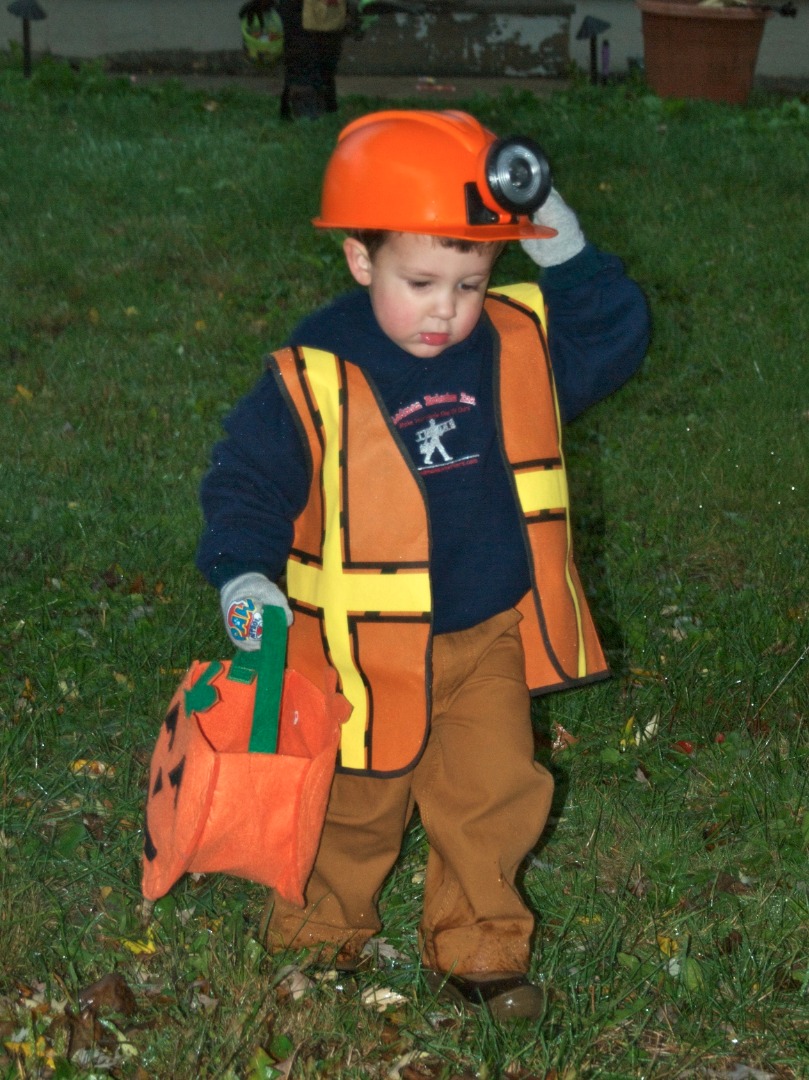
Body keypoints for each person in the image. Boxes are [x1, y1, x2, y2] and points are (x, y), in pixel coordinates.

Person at [196, 109, 650, 1022]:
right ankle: (319, 937)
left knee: (490, 794)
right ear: (360, 260)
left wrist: (555, 233)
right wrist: (244, 575)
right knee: (354, 805)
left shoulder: (510, 345)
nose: (446, 309)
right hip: (358, 651)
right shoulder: (317, 368)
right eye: (420, 281)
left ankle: (480, 952)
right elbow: (244, 482)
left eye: (472, 281)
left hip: (483, 631)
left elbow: (613, 336)